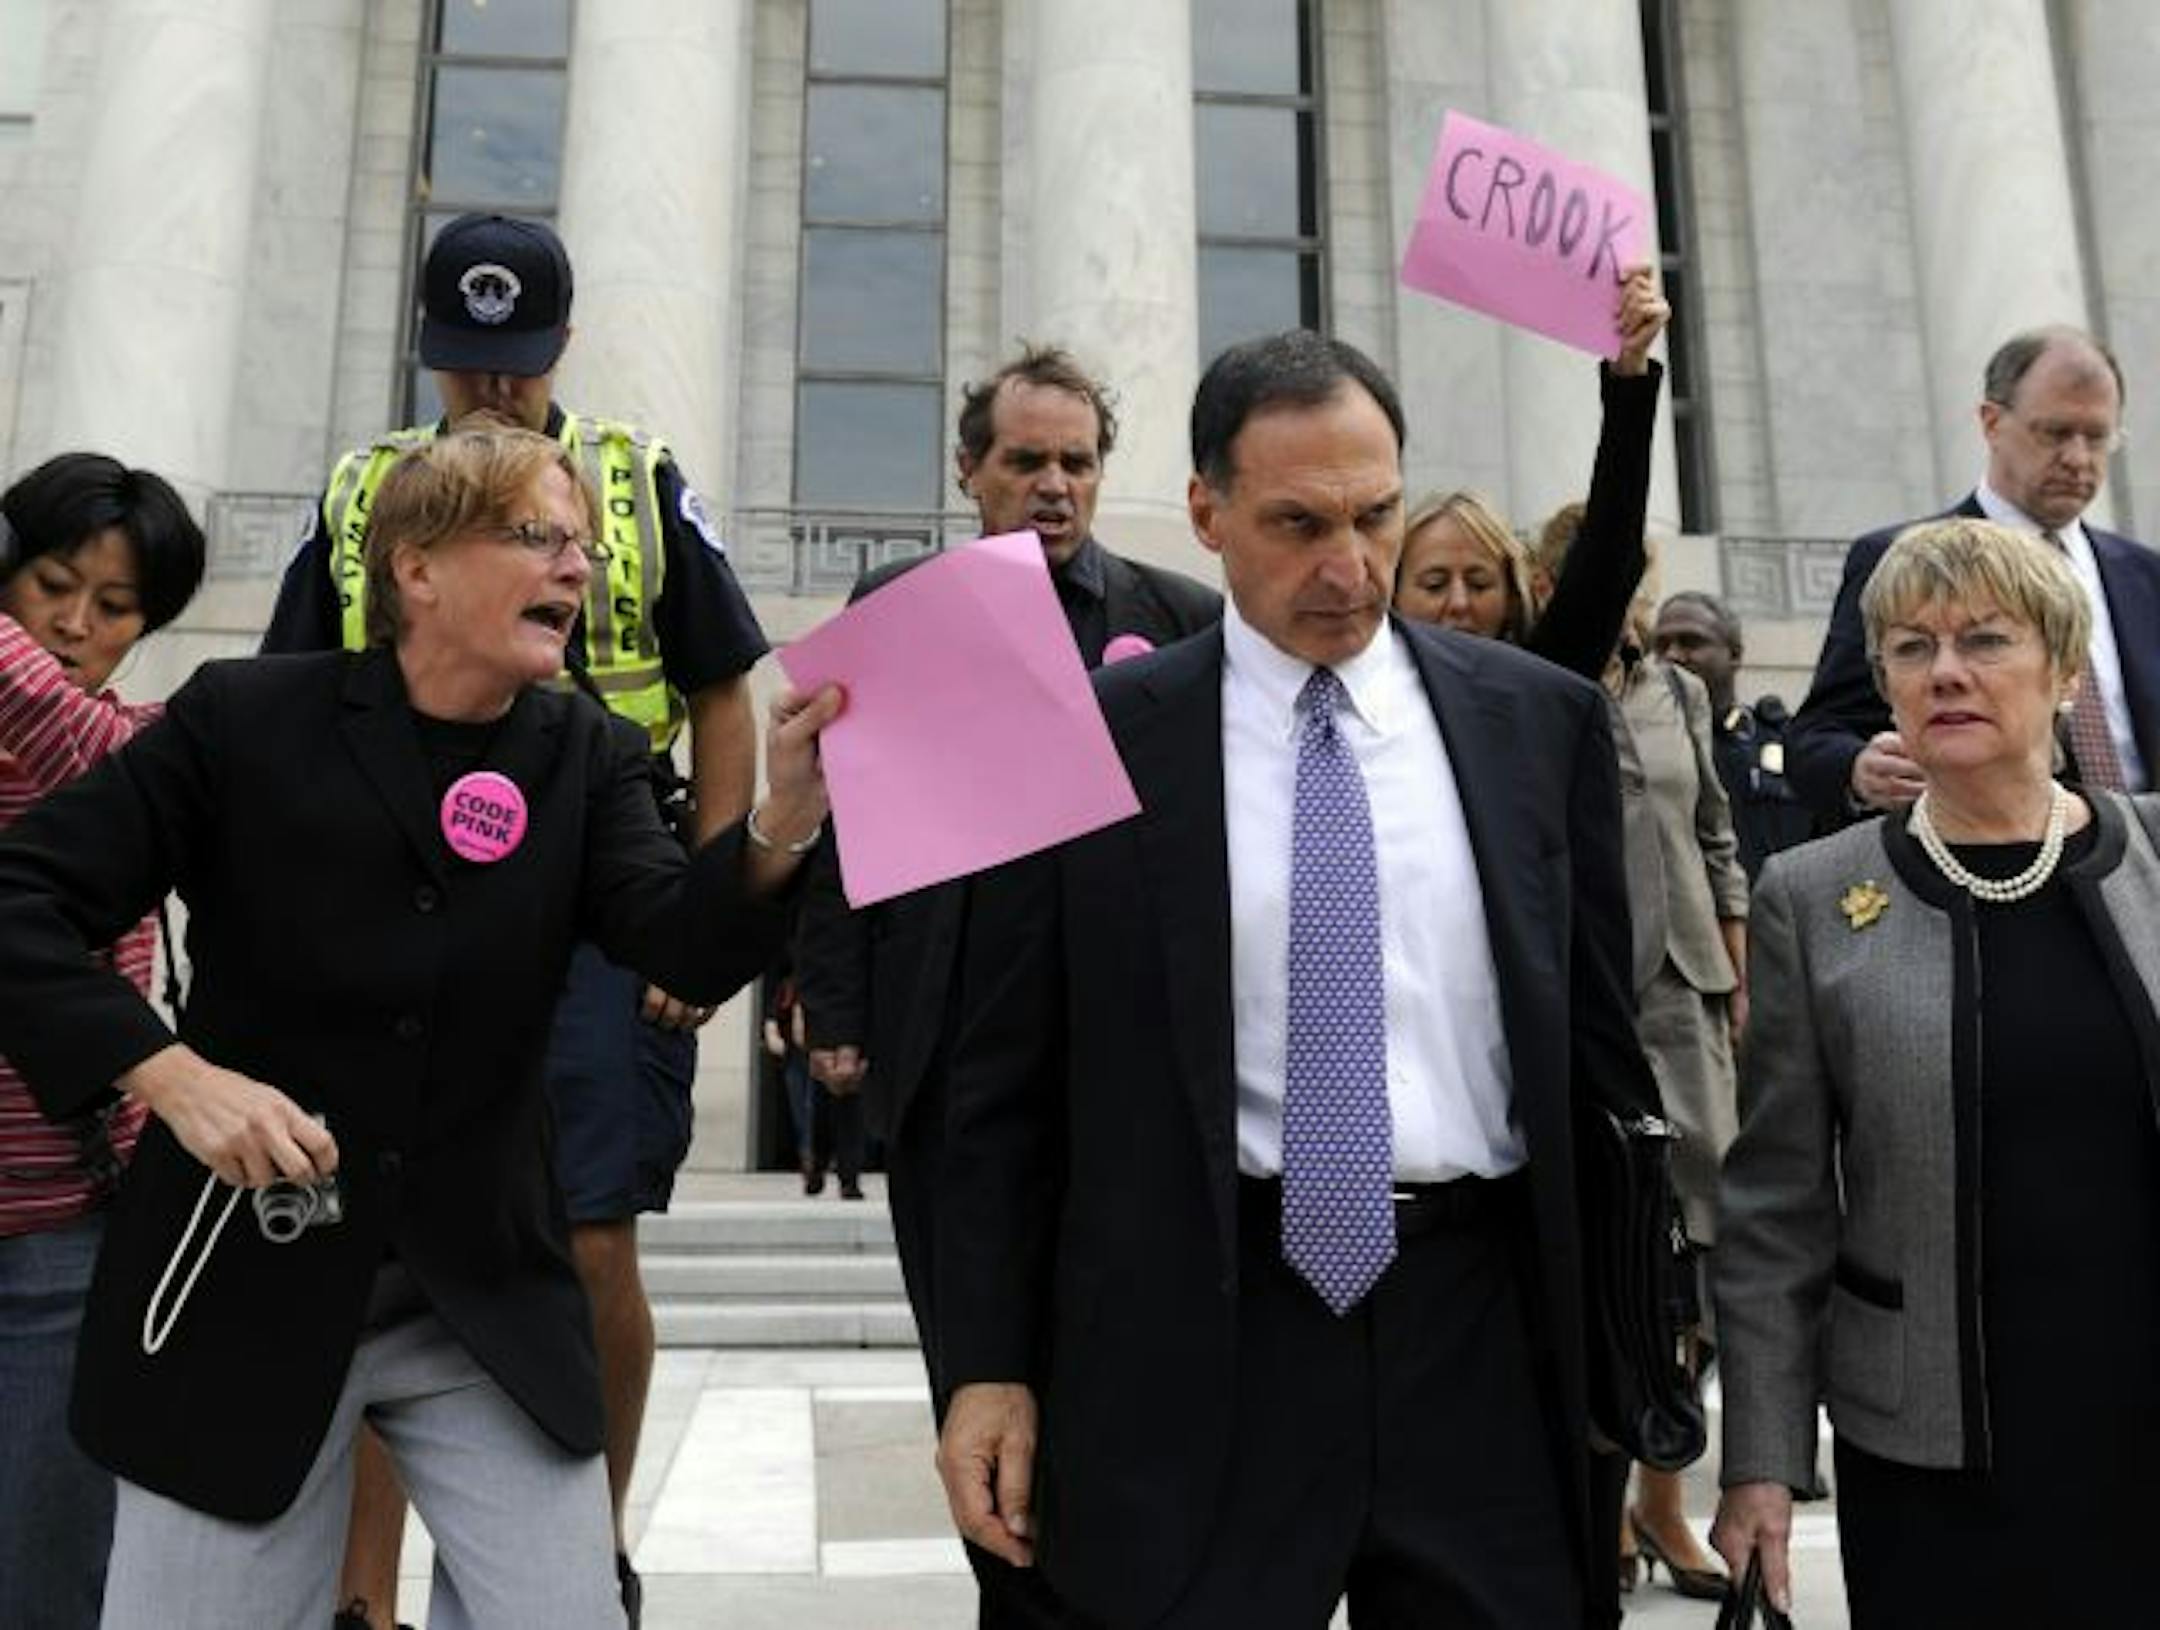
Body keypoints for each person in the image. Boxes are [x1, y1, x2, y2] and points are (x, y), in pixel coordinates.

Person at [0, 425, 834, 1630]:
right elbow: (24, 900)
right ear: (418, 568)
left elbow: (682, 941)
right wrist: (171, 1076)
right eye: (539, 537)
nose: (577, 571)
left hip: (478, 1294)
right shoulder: (242, 721)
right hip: (245, 1284)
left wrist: (780, 824)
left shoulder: (587, 756)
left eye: (586, 550)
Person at [932, 330, 1661, 1630]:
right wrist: (986, 1366)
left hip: (1479, 1328)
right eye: (1298, 522)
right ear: (1208, 513)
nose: (1350, 565)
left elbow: (1601, 1053)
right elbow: (1001, 1085)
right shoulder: (1093, 744)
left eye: (1375, 514)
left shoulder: (1534, 728)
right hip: (1201, 1330)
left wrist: (1636, 1339)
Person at [262, 213, 768, 1628]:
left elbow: (727, 692)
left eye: (517, 364)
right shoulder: (366, 491)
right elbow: (283, 703)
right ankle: (363, 1598)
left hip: (604, 897)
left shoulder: (633, 482)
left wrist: (705, 916)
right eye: (466, 364)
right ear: (430, 350)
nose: (492, 391)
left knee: (594, 1237)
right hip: (394, 907)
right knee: (373, 1247)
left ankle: (585, 1550)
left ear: (560, 347)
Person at [792, 342, 1217, 1627]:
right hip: (955, 1067)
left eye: (1075, 461)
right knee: (980, 1379)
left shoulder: (1178, 615)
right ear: (968, 469)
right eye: (1023, 459)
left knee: (1114, 1381)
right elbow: (842, 835)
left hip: (1125, 1066)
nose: (1051, 483)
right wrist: (841, 1009)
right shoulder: (900, 605)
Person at [1711, 517, 2160, 1624]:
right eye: (1912, 647)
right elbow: (1778, 1206)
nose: (1946, 669)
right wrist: (1760, 1459)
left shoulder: (2154, 857)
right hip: (1932, 1444)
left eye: (1985, 640)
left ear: (2061, 671)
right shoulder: (1813, 898)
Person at [0, 454, 205, 1630]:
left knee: (46, 1592)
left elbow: (109, 771)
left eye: (114, 607)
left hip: (58, 1248)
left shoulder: (144, 745)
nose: (74, 624)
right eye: (50, 583)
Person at [1785, 324, 2160, 822]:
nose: (2077, 458)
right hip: (1977, 867)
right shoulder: (1901, 562)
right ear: (1991, 423)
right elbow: (1817, 735)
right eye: (2054, 433)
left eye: (2096, 437)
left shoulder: (2143, 576)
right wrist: (1858, 768)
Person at [1391, 262, 1668, 683]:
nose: (1459, 603)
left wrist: (1629, 372)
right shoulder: (1362, 696)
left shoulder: (1537, 685)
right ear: (1393, 596)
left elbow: (1608, 557)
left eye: (1480, 583)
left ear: (1512, 599)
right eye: (1433, 584)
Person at [1653, 591, 1812, 880]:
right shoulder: (1646, 752)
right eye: (1661, 645)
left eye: (1691, 642)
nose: (1672, 656)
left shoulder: (1783, 744)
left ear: (1735, 654)